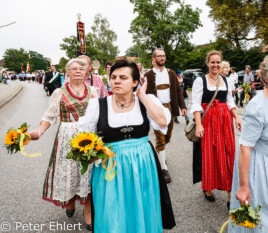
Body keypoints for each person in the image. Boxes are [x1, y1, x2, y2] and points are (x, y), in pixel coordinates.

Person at [79, 59, 176, 233]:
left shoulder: (146, 101)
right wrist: (91, 153)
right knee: (111, 211)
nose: (116, 81)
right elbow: (85, 137)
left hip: (143, 165)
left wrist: (143, 96)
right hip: (110, 167)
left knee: (143, 206)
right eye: (113, 77)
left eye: (123, 77)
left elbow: (162, 122)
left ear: (135, 82)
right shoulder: (98, 105)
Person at [28, 58, 98, 231]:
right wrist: (38, 131)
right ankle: (70, 200)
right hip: (67, 137)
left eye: (81, 68)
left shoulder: (93, 91)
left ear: (86, 72)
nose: (77, 71)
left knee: (89, 174)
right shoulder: (59, 93)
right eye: (73, 68)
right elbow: (49, 117)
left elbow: (100, 115)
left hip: (89, 136)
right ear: (67, 72)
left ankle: (88, 211)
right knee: (70, 171)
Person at [229, 53, 268, 233]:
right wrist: (243, 186)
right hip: (258, 169)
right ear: (265, 78)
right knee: (262, 221)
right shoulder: (257, 107)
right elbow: (244, 148)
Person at [192, 50, 241, 210]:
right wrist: (199, 125)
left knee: (228, 155)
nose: (215, 65)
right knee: (210, 155)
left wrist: (237, 117)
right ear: (207, 63)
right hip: (208, 121)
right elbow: (196, 105)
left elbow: (230, 101)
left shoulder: (226, 80)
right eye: (212, 62)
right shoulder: (200, 81)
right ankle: (208, 187)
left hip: (224, 121)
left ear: (221, 63)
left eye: (218, 62)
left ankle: (229, 194)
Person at [145, 48, 187, 183]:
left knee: (167, 136)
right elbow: (143, 94)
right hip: (156, 108)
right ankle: (163, 168)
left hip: (169, 107)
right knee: (160, 138)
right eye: (159, 56)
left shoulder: (171, 73)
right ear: (154, 59)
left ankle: (161, 153)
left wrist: (183, 107)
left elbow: (178, 92)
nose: (162, 58)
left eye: (163, 56)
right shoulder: (148, 75)